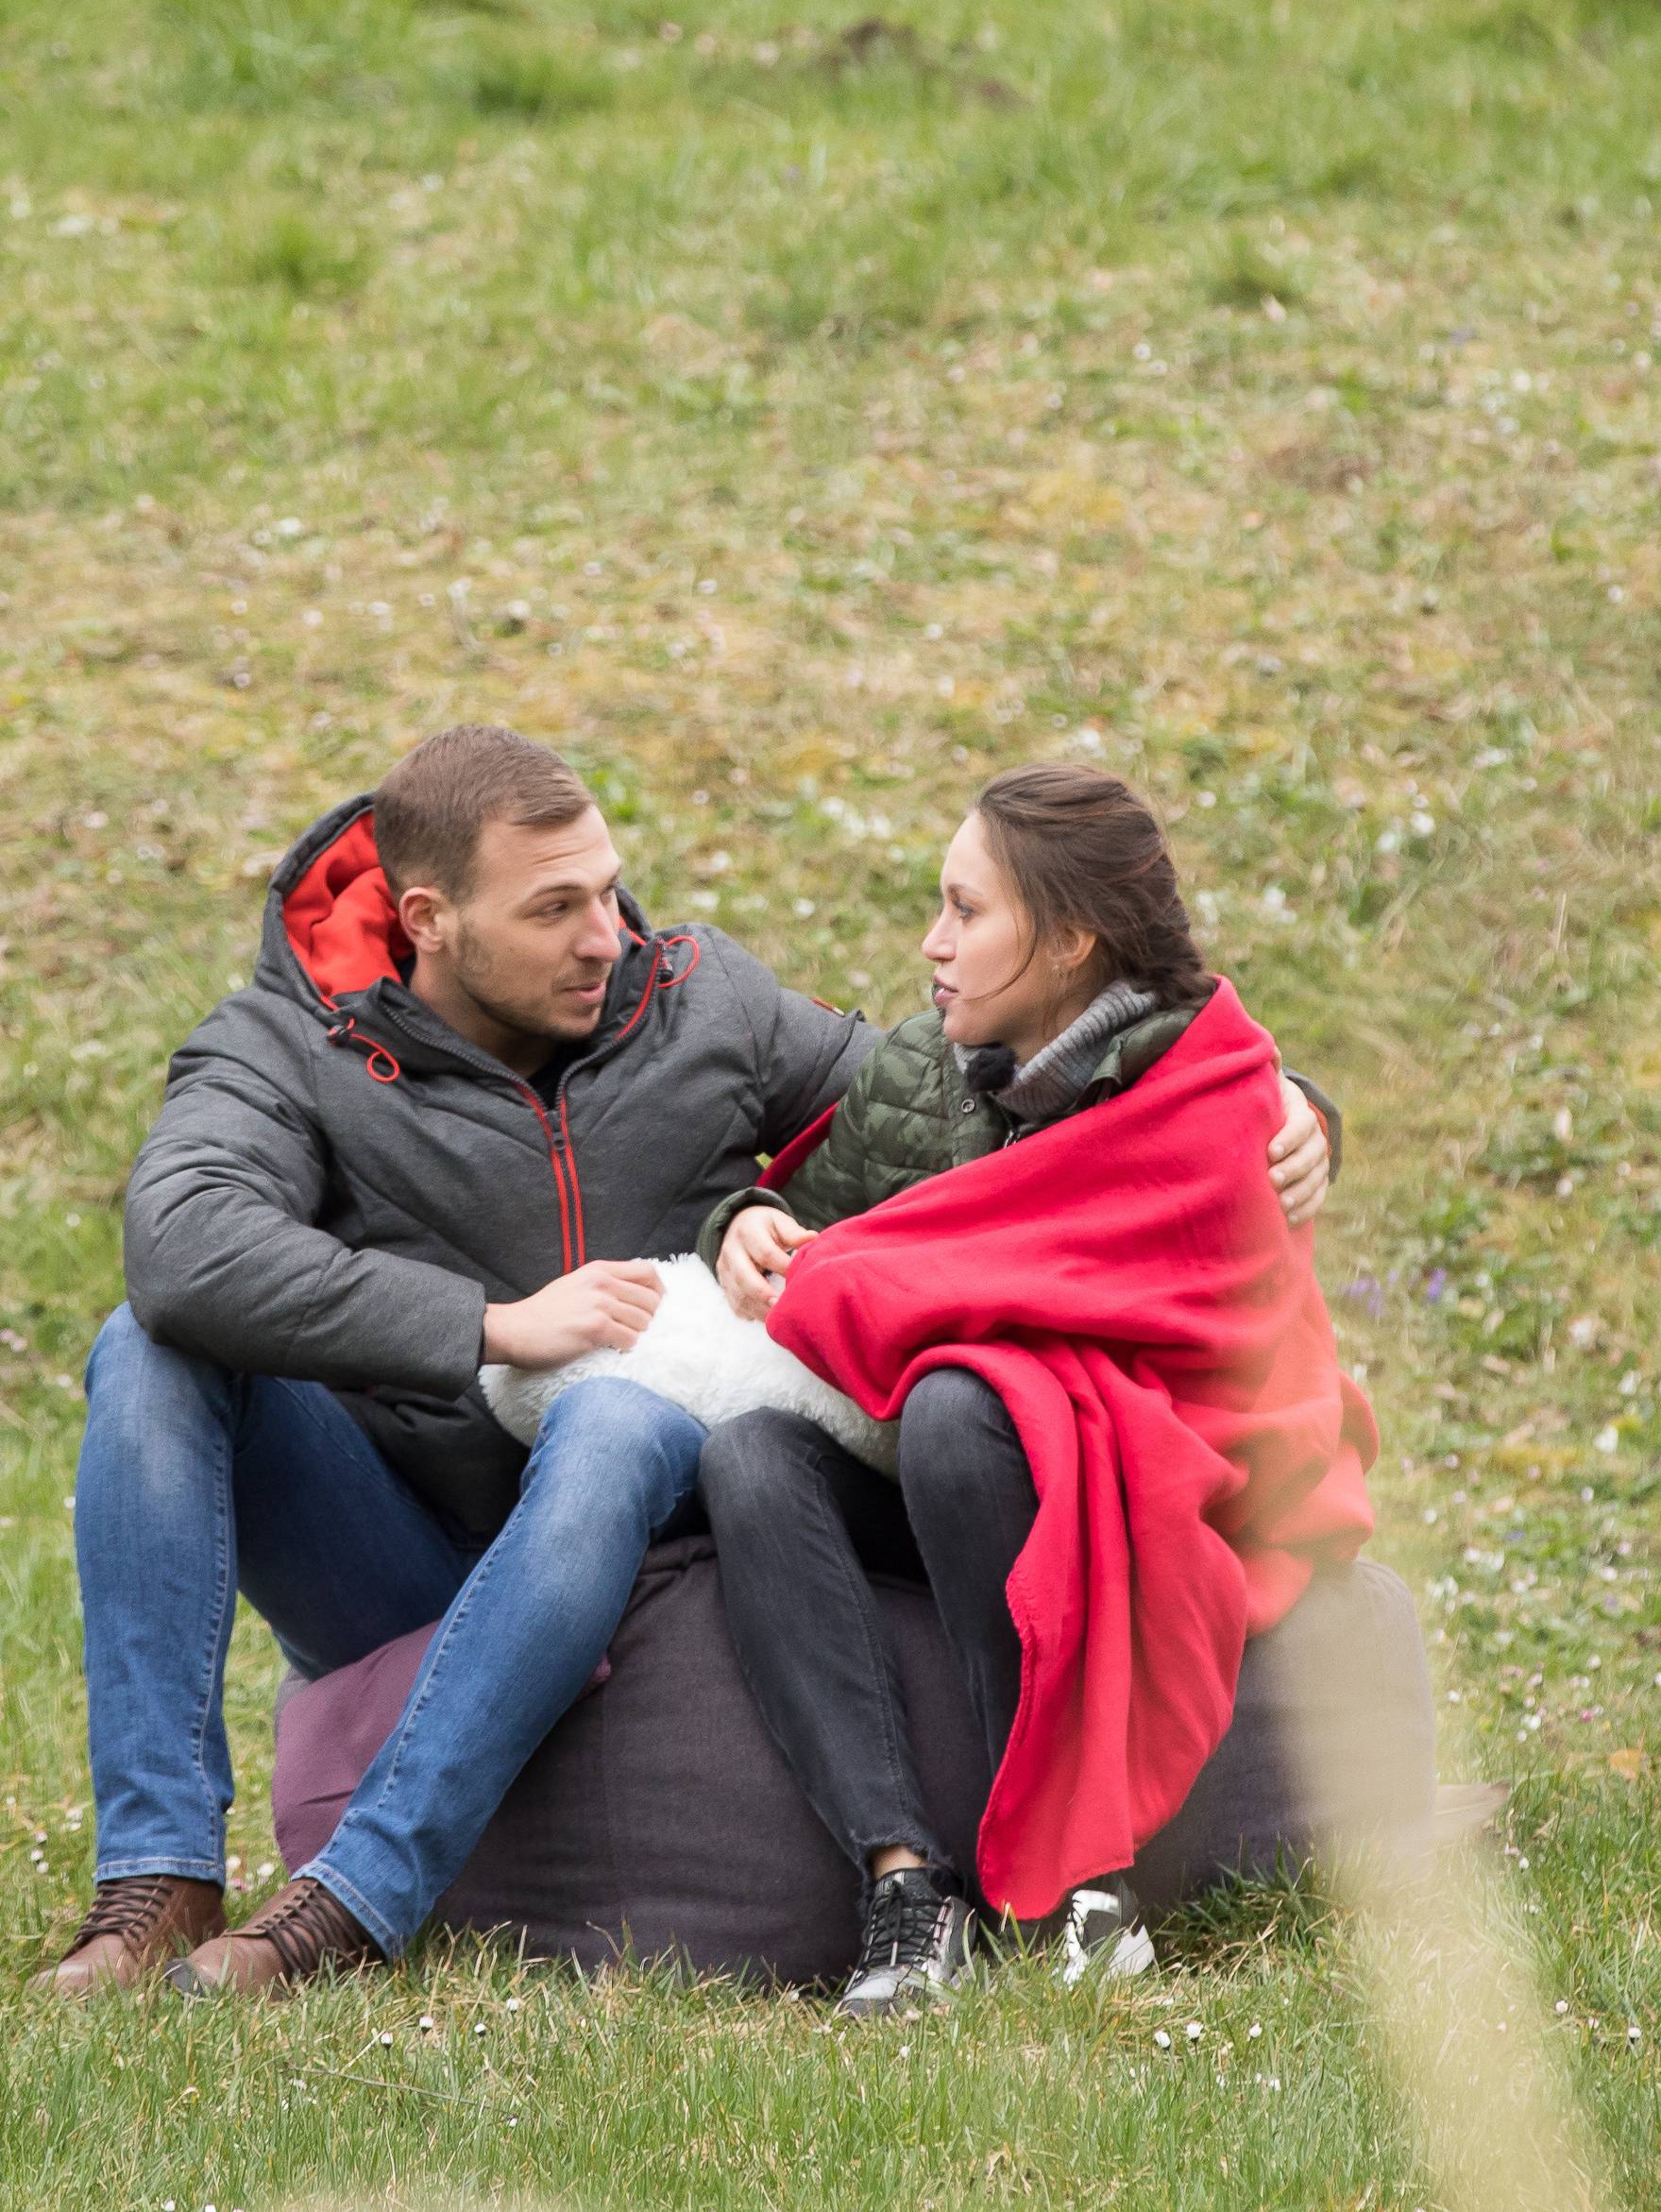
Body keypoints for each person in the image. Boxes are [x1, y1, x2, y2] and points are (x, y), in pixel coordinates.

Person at [35, 727, 1334, 1999]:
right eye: (554, 909)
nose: (606, 934)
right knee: (143, 1345)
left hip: (645, 1493)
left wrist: (1279, 1103)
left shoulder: (697, 998)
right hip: (414, 1544)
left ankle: (353, 1903)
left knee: (613, 1412)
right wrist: (487, 1325)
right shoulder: (288, 1046)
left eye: (607, 889)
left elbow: (969, 1093)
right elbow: (183, 1246)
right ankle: (158, 1881)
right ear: (427, 919)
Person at [696, 764, 1372, 2020]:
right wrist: (745, 1223)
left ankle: (1072, 1885)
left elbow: (1226, 1338)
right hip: (985, 1476)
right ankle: (907, 1884)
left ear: (1067, 939)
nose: (931, 943)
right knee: (749, 1452)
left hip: (1149, 1482)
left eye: (966, 909)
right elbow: (830, 1238)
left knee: (963, 1398)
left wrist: (1310, 1108)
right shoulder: (926, 1071)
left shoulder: (1218, 1098)